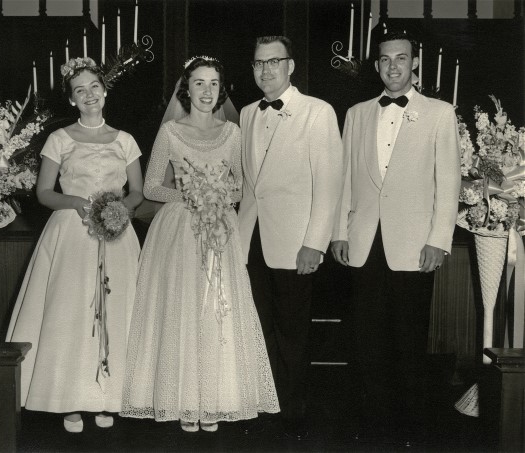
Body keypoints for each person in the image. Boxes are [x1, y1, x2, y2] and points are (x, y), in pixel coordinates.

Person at [120, 56, 279, 433]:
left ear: (220, 90)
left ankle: (216, 398)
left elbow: (243, 185)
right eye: (198, 84)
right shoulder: (171, 132)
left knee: (217, 308)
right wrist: (191, 195)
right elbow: (153, 186)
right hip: (177, 229)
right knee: (182, 308)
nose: (206, 92)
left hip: (221, 227)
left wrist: (217, 193)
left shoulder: (233, 133)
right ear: (185, 89)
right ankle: (182, 399)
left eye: (213, 84)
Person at [331, 31, 461, 446]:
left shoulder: (440, 113)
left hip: (414, 246)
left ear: (414, 64)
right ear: (376, 66)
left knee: (408, 342)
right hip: (363, 241)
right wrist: (339, 232)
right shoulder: (356, 113)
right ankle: (372, 429)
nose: (393, 67)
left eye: (401, 59)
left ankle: (411, 432)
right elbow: (345, 179)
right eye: (385, 60)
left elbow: (449, 182)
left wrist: (438, 240)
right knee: (366, 341)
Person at [6, 57, 144, 433]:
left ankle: (108, 398)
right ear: (71, 99)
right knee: (70, 312)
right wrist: (79, 204)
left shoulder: (125, 140)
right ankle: (67, 398)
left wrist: (118, 210)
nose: (89, 95)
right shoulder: (60, 139)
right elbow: (45, 192)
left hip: (115, 235)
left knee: (117, 309)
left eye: (94, 87)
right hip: (71, 232)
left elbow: (138, 192)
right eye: (79, 90)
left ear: (104, 91)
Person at [238, 36, 344, 440]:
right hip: (251, 238)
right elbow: (252, 185)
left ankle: (292, 409)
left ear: (291, 65)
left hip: (295, 241)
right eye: (258, 64)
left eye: (273, 62)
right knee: (258, 326)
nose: (265, 71)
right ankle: (264, 402)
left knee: (293, 331)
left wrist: (314, 243)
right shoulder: (247, 113)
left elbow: (329, 184)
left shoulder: (317, 112)